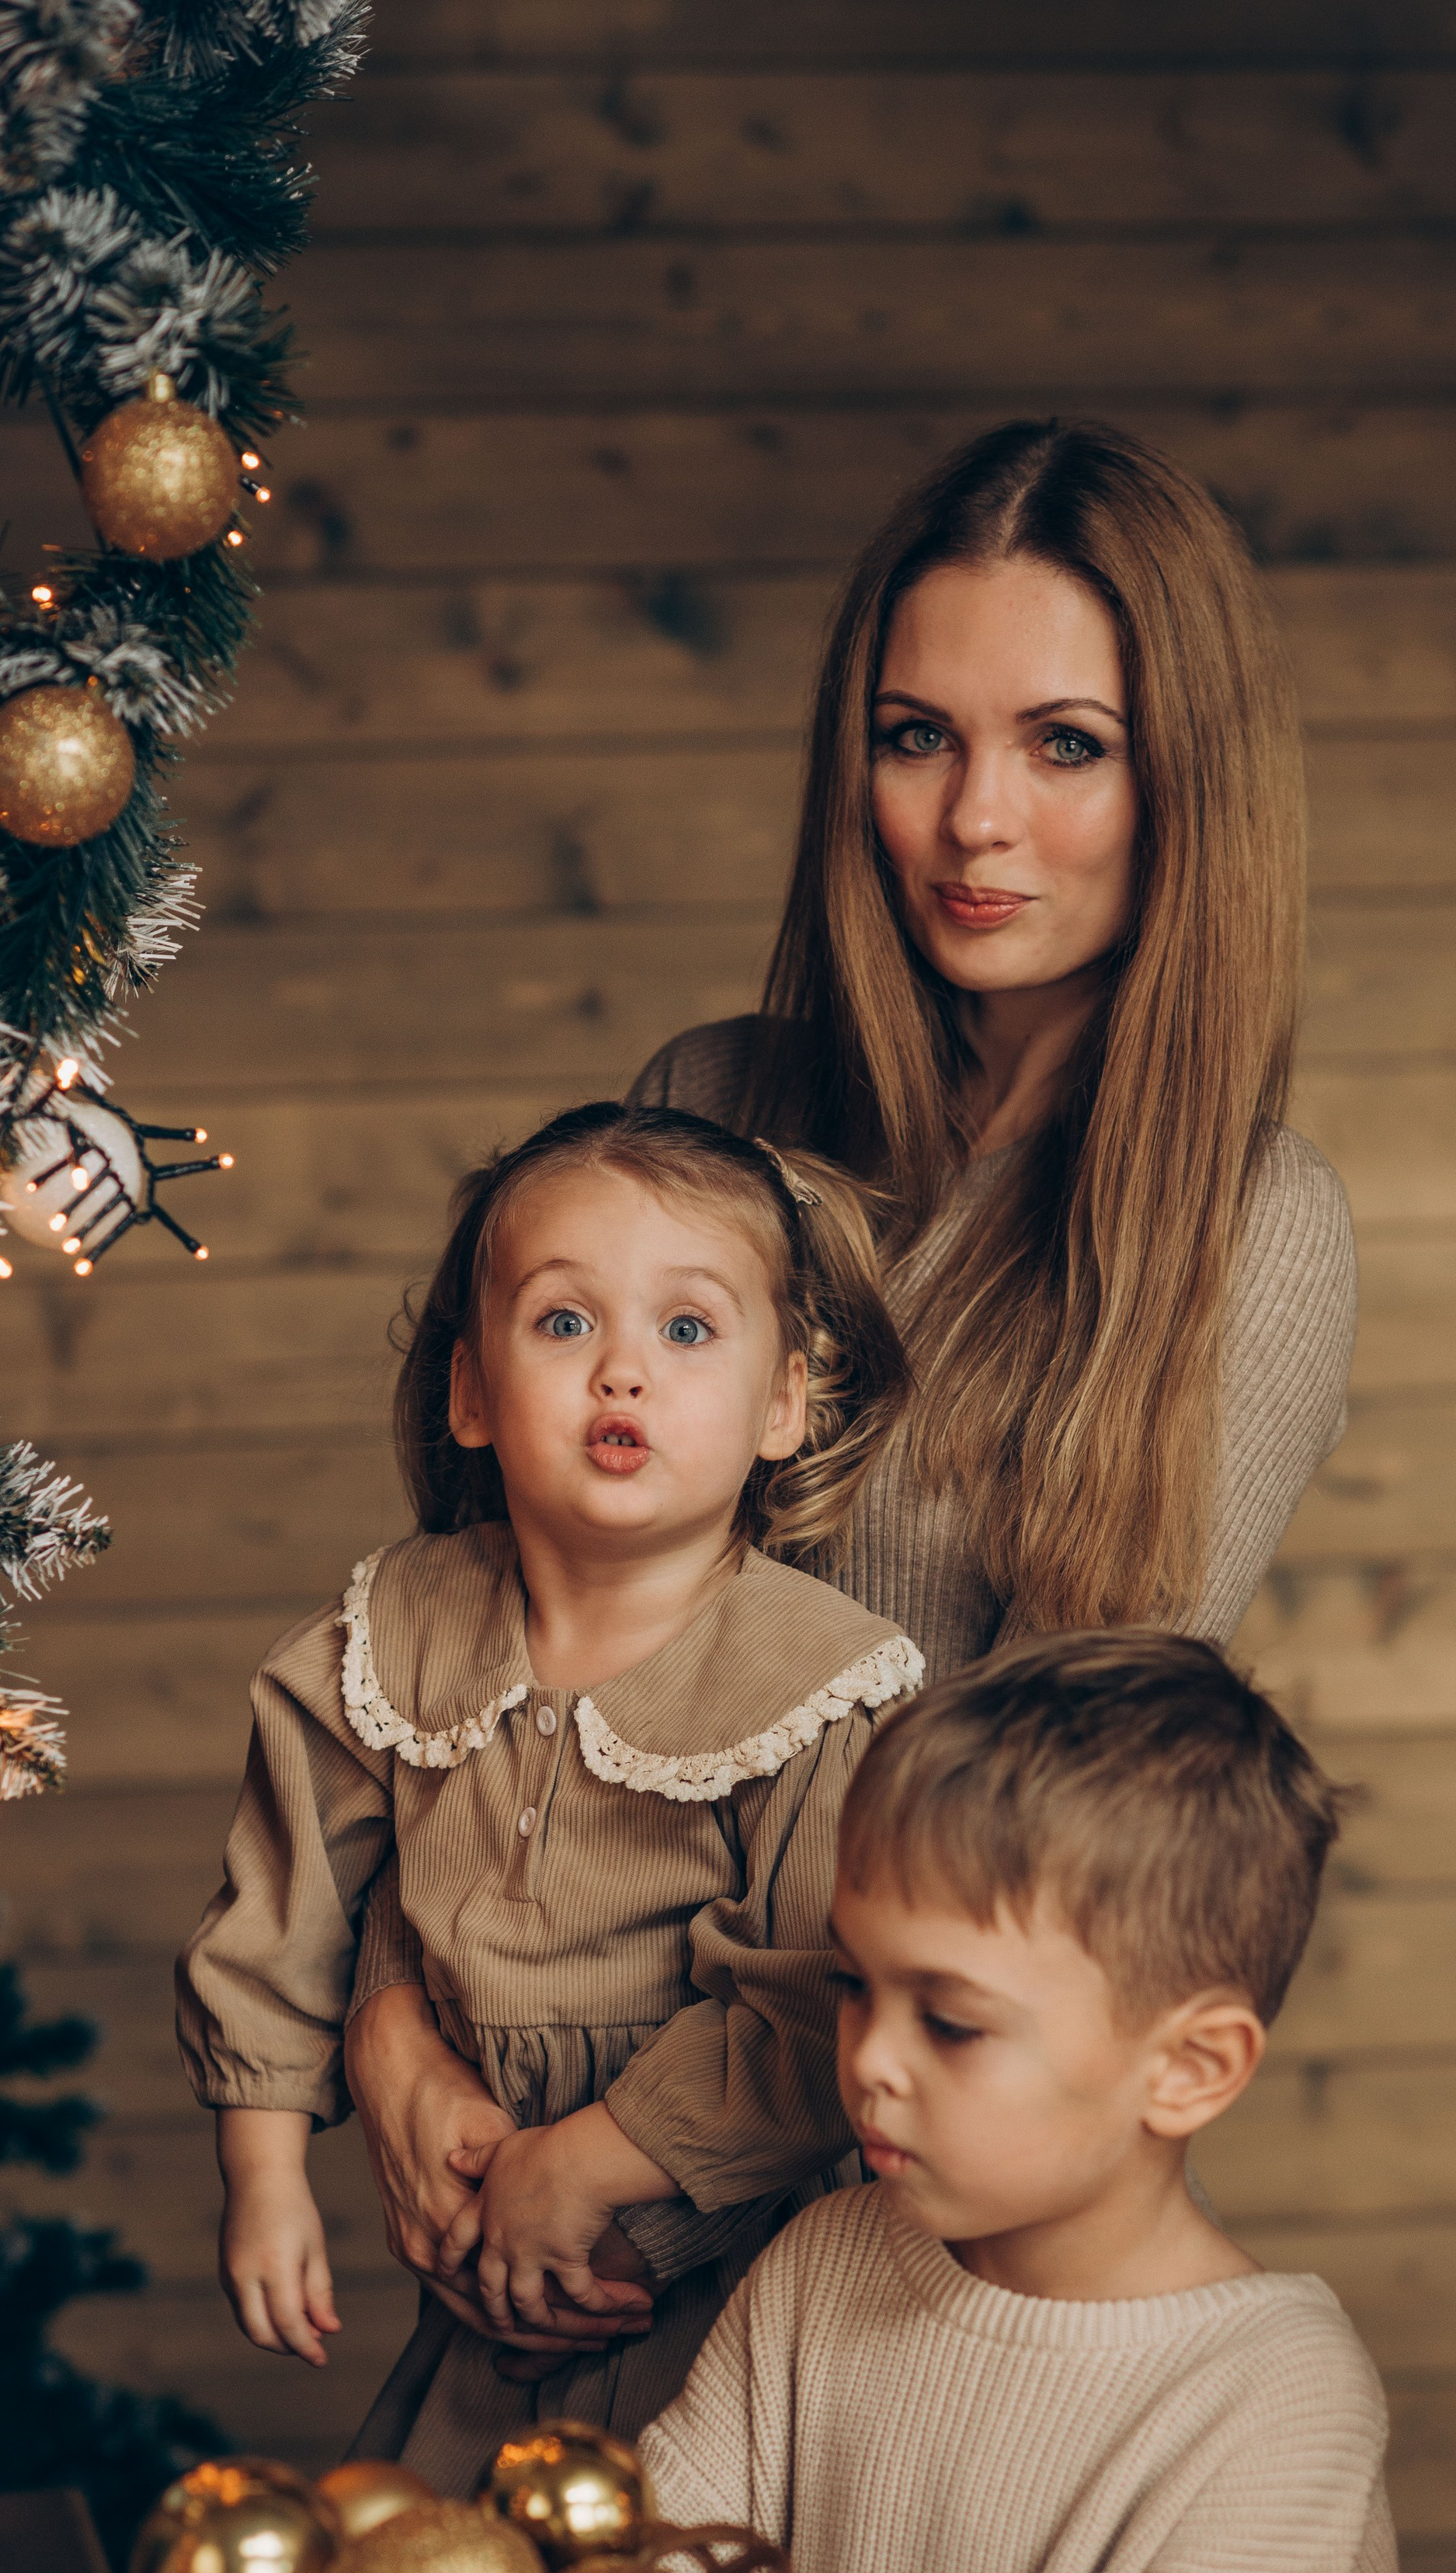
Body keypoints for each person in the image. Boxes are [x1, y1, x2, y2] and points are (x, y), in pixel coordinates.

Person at [346, 415, 1359, 2416]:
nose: (975, 819)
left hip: (870, 2202)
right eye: (917, 737)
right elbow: (491, 1619)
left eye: (1065, 744)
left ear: (1188, 786)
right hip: (527, 2082)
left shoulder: (1247, 1235)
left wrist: (646, 2151)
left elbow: (1048, 1857)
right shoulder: (710, 1098)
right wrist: (393, 2016)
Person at [175, 1102, 919, 2484]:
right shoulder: (390, 1634)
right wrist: (264, 2177)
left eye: (688, 1331)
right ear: (471, 1392)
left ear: (784, 1405)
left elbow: (819, 2002)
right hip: (465, 2256)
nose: (622, 1373)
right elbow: (280, 1920)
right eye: (564, 1325)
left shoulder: (822, 1681)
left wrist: (589, 2171)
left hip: (734, 2277)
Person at [645, 1634, 1396, 2573]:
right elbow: (657, 2569)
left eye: (952, 2021)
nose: (865, 2064)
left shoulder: (1272, 2404)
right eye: (857, 1987)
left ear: (1190, 2069)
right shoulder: (829, 2262)